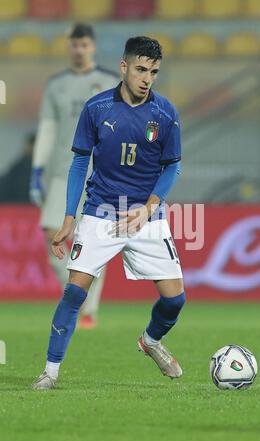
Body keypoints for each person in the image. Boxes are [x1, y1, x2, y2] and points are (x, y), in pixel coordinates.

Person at [32, 36, 186, 390]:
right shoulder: (97, 108)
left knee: (175, 299)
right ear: (124, 67)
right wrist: (69, 217)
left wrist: (149, 208)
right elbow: (79, 162)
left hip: (146, 217)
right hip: (100, 213)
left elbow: (172, 167)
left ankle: (150, 341)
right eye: (141, 69)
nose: (147, 78)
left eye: (154, 72)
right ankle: (50, 372)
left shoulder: (165, 114)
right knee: (74, 292)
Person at [30, 23, 119, 329]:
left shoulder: (109, 81)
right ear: (68, 47)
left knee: (93, 240)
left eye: (83, 45)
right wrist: (37, 168)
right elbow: (48, 128)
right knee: (50, 232)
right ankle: (75, 294)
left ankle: (88, 310)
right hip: (60, 170)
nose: (78, 50)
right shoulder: (56, 85)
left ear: (92, 47)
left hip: (99, 172)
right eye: (74, 45)